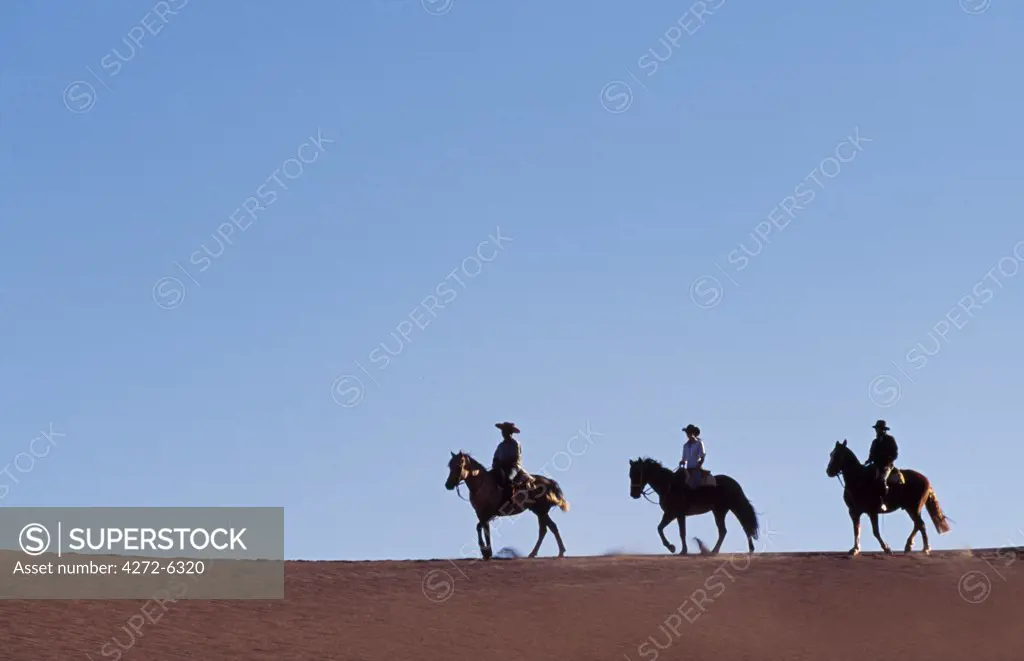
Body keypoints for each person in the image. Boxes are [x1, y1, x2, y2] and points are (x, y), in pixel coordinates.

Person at [492, 422, 532, 501]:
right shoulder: (501, 445)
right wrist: (496, 464)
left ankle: (509, 499)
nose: (503, 433)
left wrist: (503, 463)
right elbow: (495, 458)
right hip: (500, 467)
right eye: (502, 431)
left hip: (513, 467)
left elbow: (515, 457)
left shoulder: (515, 444)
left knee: (508, 479)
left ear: (510, 432)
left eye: (505, 431)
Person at [865, 419, 898, 511]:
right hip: (876, 465)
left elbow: (895, 453)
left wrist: (888, 461)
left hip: (887, 465)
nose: (877, 431)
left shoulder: (890, 440)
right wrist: (868, 460)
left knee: (882, 479)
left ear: (884, 430)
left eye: (879, 429)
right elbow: (871, 454)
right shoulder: (875, 442)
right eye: (877, 429)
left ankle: (884, 501)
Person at [678, 424, 706, 490]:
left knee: (695, 483)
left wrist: (699, 465)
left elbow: (702, 456)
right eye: (687, 433)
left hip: (696, 469)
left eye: (690, 432)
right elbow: (684, 459)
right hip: (688, 469)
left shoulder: (699, 443)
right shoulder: (685, 446)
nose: (688, 434)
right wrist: (682, 462)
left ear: (694, 433)